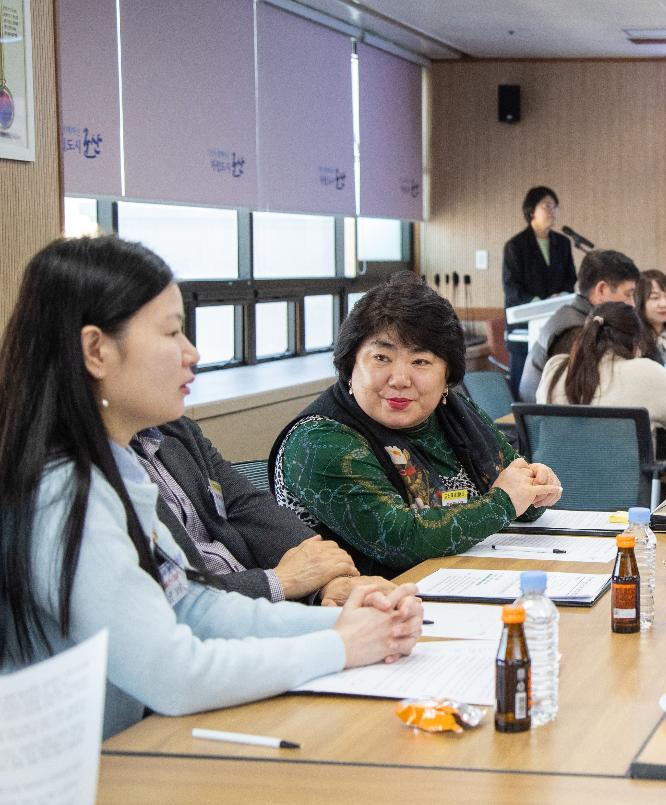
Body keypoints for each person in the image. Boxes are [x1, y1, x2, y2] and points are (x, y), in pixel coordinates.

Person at [0, 237, 421, 738]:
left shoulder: (120, 465)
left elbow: (192, 607)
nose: (192, 353)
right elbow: (173, 673)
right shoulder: (63, 491)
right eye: (172, 333)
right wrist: (345, 645)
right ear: (96, 350)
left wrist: (345, 624)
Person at [272, 272, 563, 577]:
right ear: (349, 365)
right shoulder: (319, 440)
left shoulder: (452, 411)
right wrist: (503, 503)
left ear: (446, 374)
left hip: (464, 585)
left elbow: (513, 485)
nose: (400, 379)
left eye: (421, 361)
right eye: (381, 358)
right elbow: (399, 539)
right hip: (366, 610)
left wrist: (534, 488)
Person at [142, 416, 394, 605]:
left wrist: (327, 580)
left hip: (267, 615)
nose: (190, 356)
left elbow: (248, 505)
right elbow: (176, 598)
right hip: (215, 635)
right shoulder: (108, 478)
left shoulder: (177, 430)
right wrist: (278, 581)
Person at [537, 301, 666, 444]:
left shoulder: (555, 368)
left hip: (556, 484)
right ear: (636, 342)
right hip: (622, 486)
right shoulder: (645, 371)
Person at [517, 248, 640, 402]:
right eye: (628, 294)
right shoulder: (574, 329)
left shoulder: (579, 316)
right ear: (601, 290)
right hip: (543, 422)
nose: (633, 304)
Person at [502, 187, 577, 394]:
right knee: (523, 389)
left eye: (555, 207)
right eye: (547, 206)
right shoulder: (515, 246)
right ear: (531, 210)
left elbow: (571, 279)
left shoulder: (562, 243)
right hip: (524, 326)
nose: (553, 211)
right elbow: (512, 287)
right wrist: (540, 302)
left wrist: (560, 297)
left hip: (556, 325)